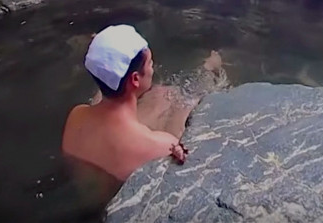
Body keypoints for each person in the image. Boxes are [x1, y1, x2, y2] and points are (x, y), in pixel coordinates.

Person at [61, 24, 224, 183]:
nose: (152, 69)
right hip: (127, 200)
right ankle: (209, 69)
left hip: (89, 191)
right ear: (135, 79)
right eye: (150, 64)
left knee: (159, 94)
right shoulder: (160, 146)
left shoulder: (76, 116)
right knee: (169, 96)